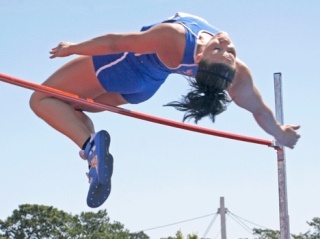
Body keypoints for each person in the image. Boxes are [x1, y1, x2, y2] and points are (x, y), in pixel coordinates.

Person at [29, 12, 300, 208]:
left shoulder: (176, 38)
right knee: (76, 109)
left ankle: (90, 147)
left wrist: (73, 48)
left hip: (122, 68)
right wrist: (280, 131)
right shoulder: (233, 71)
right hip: (143, 88)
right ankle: (94, 158)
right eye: (228, 48)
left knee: (42, 100)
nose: (226, 43)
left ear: (198, 59)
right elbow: (259, 110)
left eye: (219, 48)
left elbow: (115, 44)